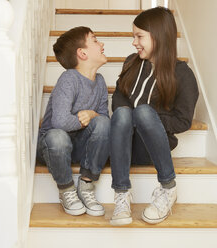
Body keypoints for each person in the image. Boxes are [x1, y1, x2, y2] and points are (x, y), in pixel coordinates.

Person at [109, 7, 199, 225]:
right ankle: (121, 194)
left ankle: (168, 188)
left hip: (152, 147)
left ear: (159, 36)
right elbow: (118, 99)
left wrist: (146, 117)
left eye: (139, 36)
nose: (134, 42)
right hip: (124, 145)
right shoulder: (132, 61)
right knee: (122, 113)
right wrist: (131, 117)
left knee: (143, 112)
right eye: (133, 36)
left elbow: (183, 120)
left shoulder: (182, 74)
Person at [37, 26, 110, 217]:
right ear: (82, 53)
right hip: (53, 148)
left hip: (79, 146)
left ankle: (86, 186)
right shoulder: (69, 78)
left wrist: (93, 115)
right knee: (57, 137)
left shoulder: (100, 82)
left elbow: (104, 120)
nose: (101, 44)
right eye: (95, 40)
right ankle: (67, 190)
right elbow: (60, 122)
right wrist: (84, 120)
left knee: (103, 124)